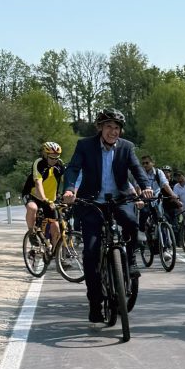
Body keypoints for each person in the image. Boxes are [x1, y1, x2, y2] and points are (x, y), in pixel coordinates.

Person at [61, 108, 153, 323]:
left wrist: (146, 186)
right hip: (92, 203)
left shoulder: (127, 147)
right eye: (109, 127)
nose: (113, 131)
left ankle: (129, 260)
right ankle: (95, 302)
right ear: (100, 127)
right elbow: (73, 169)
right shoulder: (85, 145)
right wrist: (68, 189)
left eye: (117, 128)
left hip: (118, 199)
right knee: (91, 254)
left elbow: (137, 169)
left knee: (131, 224)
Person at [22, 141, 64, 246]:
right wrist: (44, 199)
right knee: (33, 208)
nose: (54, 160)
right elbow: (38, 182)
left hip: (51, 199)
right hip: (33, 195)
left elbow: (66, 181)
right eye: (51, 157)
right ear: (45, 155)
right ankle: (31, 233)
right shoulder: (39, 163)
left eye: (57, 157)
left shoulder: (60, 165)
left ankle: (55, 256)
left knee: (56, 228)